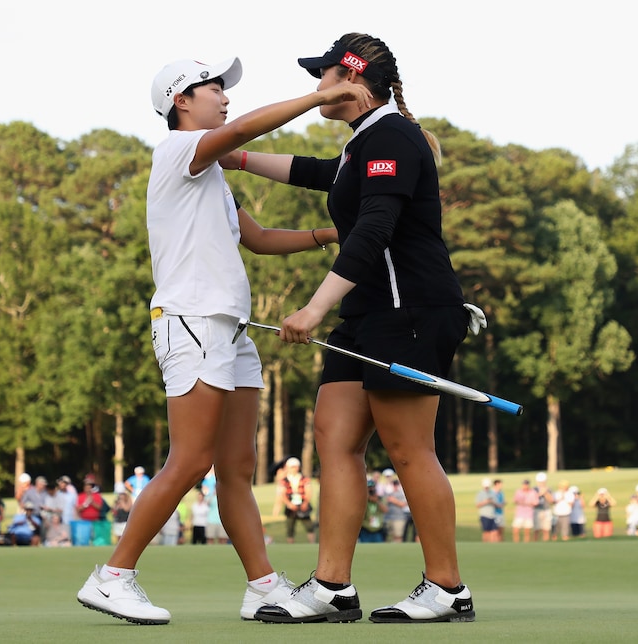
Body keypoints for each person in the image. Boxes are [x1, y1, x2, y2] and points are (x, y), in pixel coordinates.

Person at [75, 52, 370, 625]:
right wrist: (317, 99)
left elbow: (257, 239)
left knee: (235, 468)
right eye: (214, 87)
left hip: (228, 328)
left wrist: (335, 233)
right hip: (191, 320)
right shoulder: (179, 150)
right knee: (188, 462)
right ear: (181, 101)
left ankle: (262, 586)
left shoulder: (207, 173)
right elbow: (239, 132)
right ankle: (113, 576)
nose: (225, 96)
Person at [234, 33, 477, 624]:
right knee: (334, 434)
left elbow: (372, 230)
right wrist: (236, 157)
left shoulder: (392, 136)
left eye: (323, 77)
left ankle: (448, 588)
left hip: (411, 311)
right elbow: (323, 175)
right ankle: (332, 586)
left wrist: (313, 309)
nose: (315, 88)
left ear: (351, 81)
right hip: (369, 314)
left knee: (406, 447)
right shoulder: (362, 142)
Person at [278, 457, 316, 544]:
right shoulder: (284, 480)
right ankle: (290, 546)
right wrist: (289, 504)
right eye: (292, 467)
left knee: (309, 527)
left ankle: (312, 544)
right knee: (290, 529)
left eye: (295, 467)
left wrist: (305, 503)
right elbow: (283, 494)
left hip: (303, 505)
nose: (294, 469)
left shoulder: (304, 479)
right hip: (290, 507)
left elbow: (308, 492)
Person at [383, 474, 410, 543]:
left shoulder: (401, 493)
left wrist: (394, 501)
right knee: (389, 536)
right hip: (388, 517)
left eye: (396, 484)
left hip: (399, 517)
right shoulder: (388, 493)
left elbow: (404, 504)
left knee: (398, 536)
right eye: (394, 484)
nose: (395, 485)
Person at [475, 478, 500, 543]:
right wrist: (486, 502)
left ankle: (492, 545)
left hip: (492, 515)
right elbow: (477, 505)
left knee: (494, 531)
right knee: (486, 531)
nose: (487, 488)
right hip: (484, 515)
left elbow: (497, 504)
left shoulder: (492, 493)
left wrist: (492, 502)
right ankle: (485, 544)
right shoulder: (480, 493)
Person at [532, 473, 554, 542]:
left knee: (546, 529)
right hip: (537, 510)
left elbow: (551, 501)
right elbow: (533, 500)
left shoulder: (549, 489)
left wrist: (545, 492)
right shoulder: (534, 489)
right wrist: (540, 493)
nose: (542, 483)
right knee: (537, 529)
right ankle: (535, 543)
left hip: (546, 510)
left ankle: (546, 542)